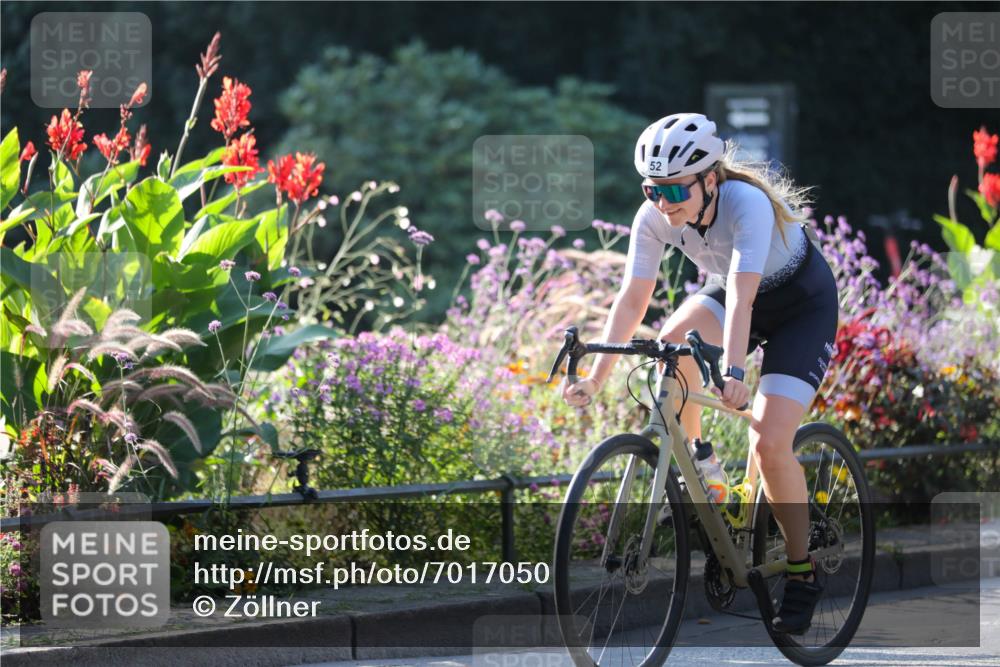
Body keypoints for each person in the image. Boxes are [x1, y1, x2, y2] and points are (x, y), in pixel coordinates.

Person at [561, 112, 838, 635]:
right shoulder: (654, 216)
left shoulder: (746, 203)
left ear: (710, 179)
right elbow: (632, 298)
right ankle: (706, 472)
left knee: (769, 443)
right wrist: (597, 376)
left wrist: (732, 371)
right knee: (669, 354)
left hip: (798, 305)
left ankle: (803, 571)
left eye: (675, 190)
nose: (664, 203)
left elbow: (742, 294)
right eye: (653, 190)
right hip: (732, 294)